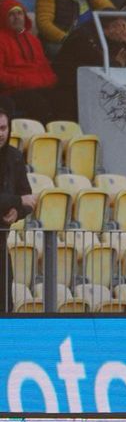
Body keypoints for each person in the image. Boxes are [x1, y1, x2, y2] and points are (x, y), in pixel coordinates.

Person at [52, 13, 126, 120]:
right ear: (112, 27)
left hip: (96, 89)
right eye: (122, 26)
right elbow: (101, 66)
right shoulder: (83, 37)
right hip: (70, 89)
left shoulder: (115, 40)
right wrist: (117, 64)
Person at [0, 0, 61, 125]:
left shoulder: (33, 40)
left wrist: (47, 81)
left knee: (63, 99)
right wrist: (25, 81)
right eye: (11, 14)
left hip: (37, 87)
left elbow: (45, 68)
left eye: (19, 13)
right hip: (13, 91)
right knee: (39, 103)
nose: (16, 17)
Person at [0, 100, 35, 313]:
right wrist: (16, 201)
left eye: (3, 128)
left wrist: (17, 212)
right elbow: (20, 198)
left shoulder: (14, 157)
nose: (0, 133)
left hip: (1, 243)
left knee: (5, 303)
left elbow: (27, 199)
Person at [34, 0, 115, 54]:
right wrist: (68, 39)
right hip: (59, 41)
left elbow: (112, 15)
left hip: (90, 41)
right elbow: (43, 23)